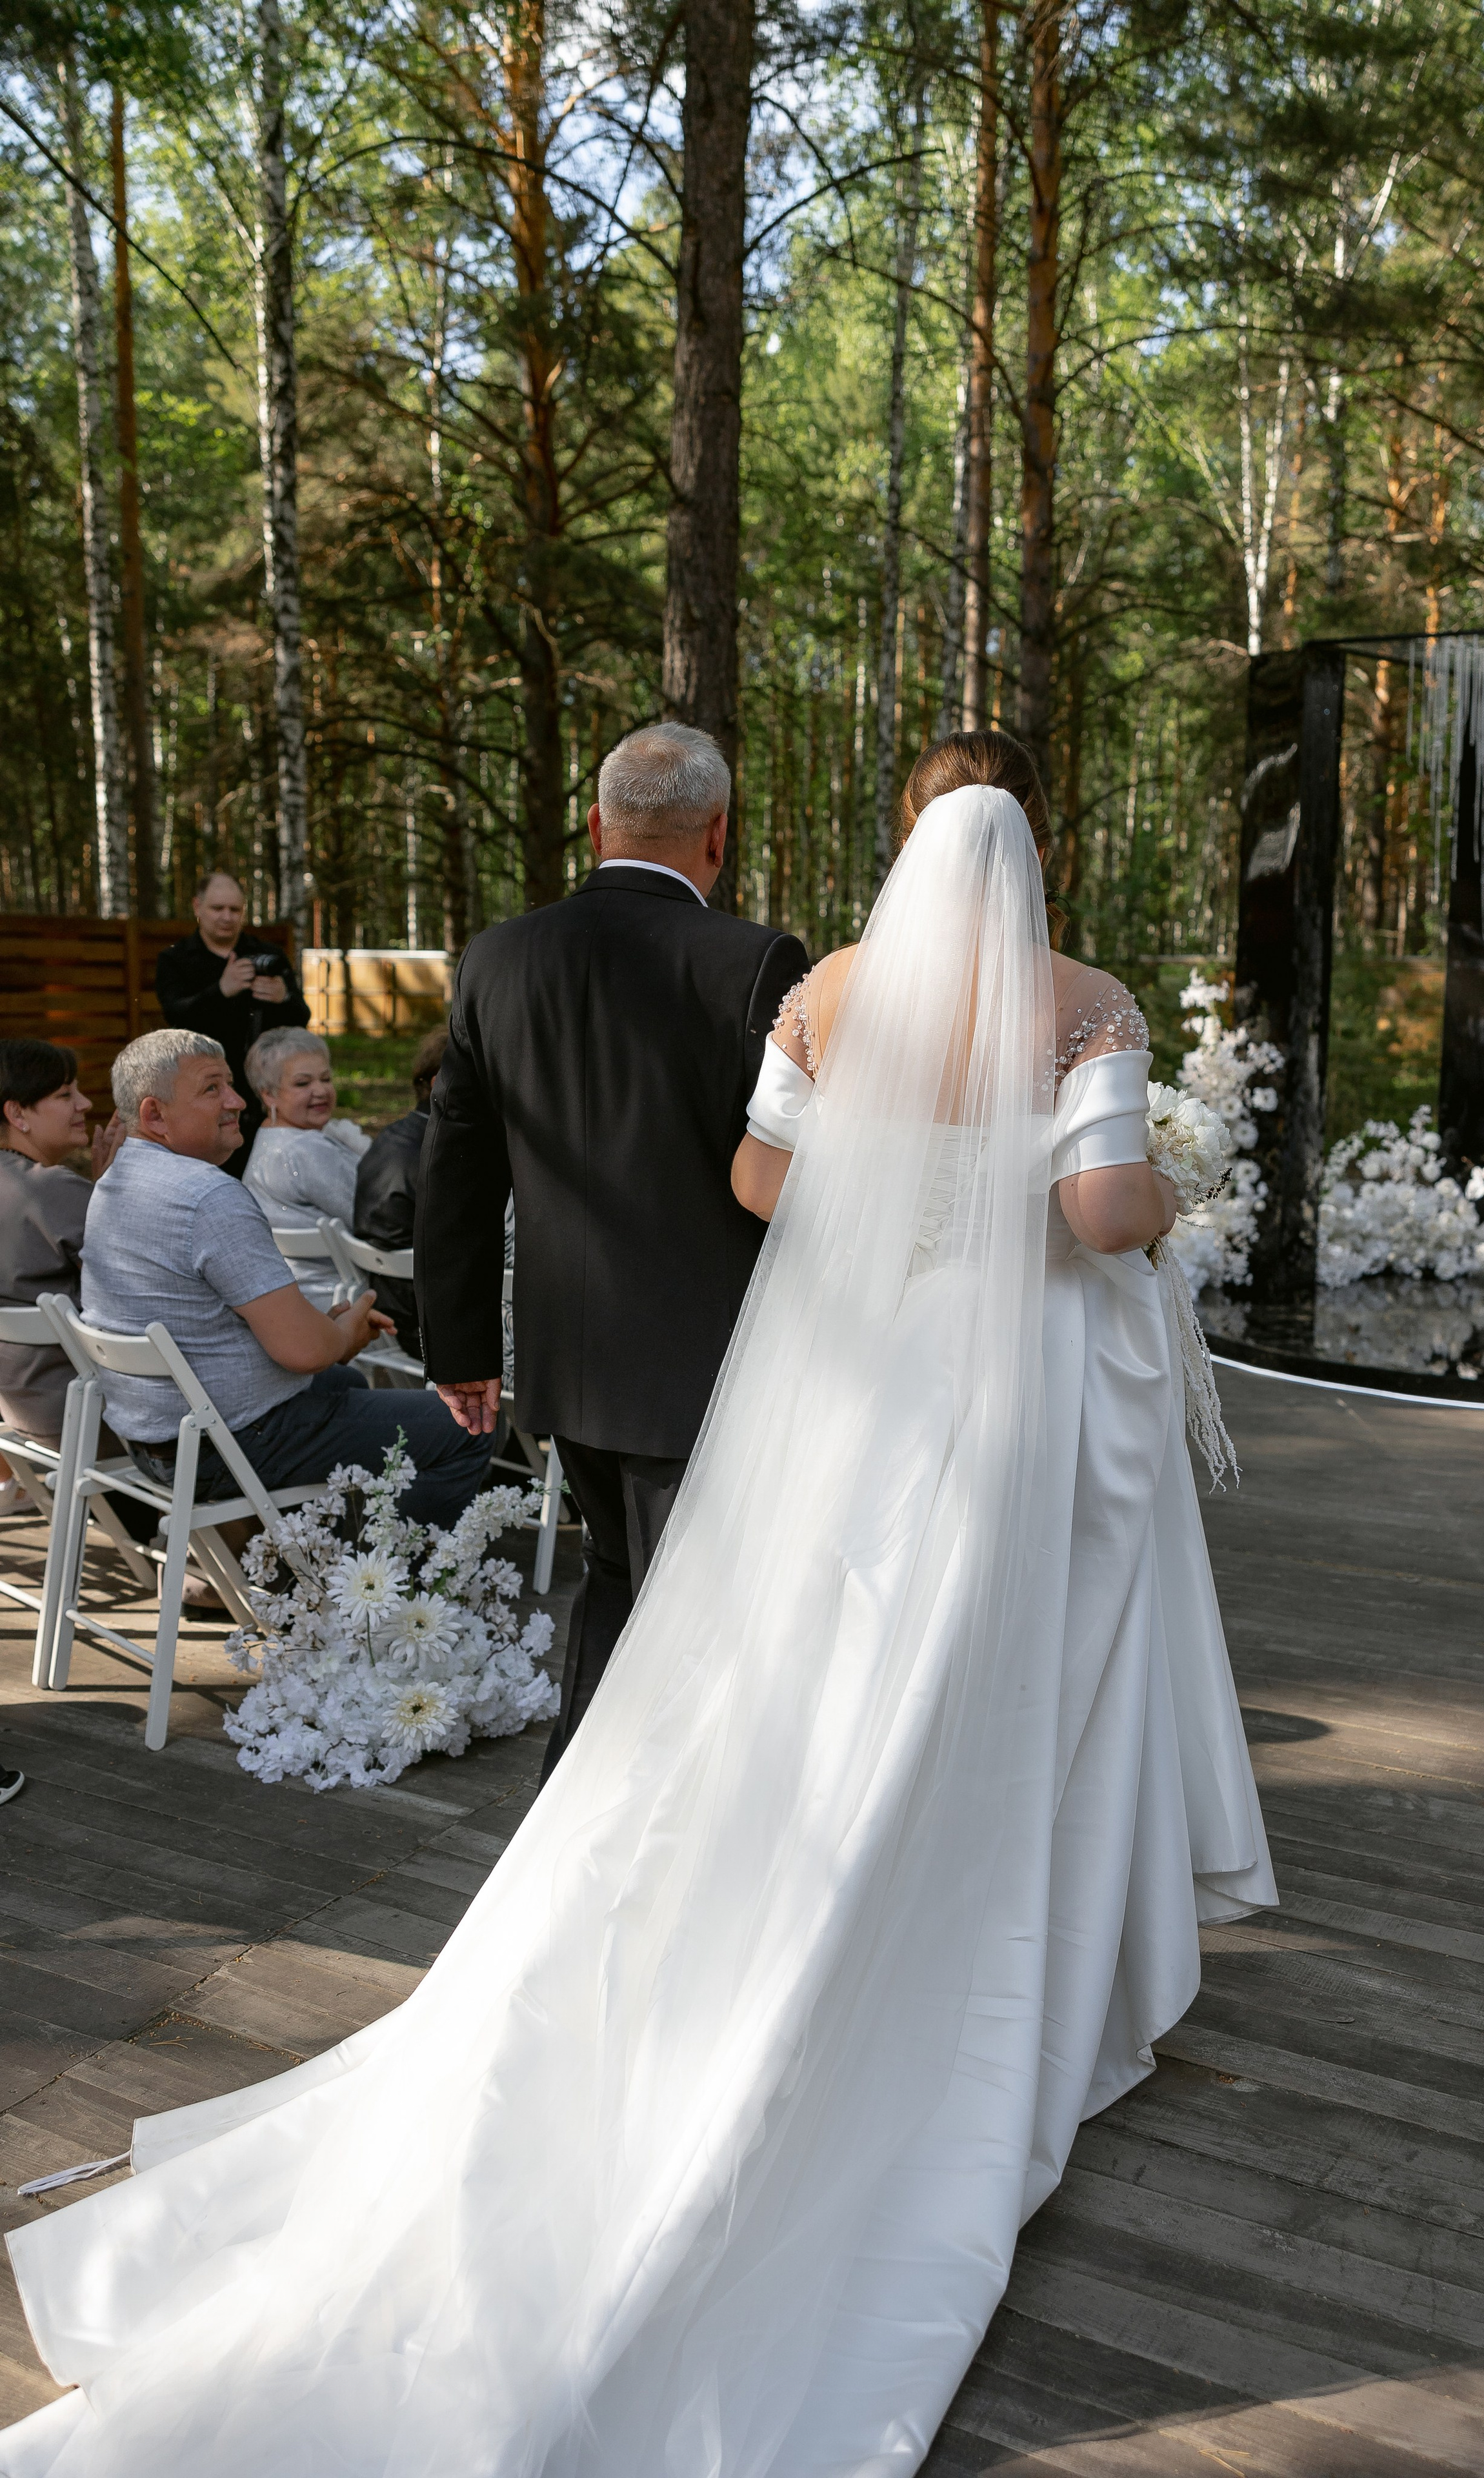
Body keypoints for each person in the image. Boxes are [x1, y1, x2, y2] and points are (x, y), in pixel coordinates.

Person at [0, 740, 1274, 2478]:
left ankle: (707, 1855)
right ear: (1032, 851)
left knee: (762, 1642)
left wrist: (867, 1218)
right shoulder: (1071, 998)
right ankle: (968, 1917)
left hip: (784, 1375)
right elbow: (1101, 1207)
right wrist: (1147, 1193)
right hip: (989, 1384)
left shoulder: (798, 986)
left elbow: (742, 1179)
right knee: (982, 1647)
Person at [416, 721, 808, 1780]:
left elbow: (457, 1171)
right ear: (717, 833)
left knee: (620, 1579)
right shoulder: (755, 962)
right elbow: (795, 1173)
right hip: (712, 1363)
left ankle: (571, 1809)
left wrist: (461, 1348)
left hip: (570, 1358)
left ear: (596, 826)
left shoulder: (498, 957)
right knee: (707, 1611)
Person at [73, 1028, 494, 1532]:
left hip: (153, 1439)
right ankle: (373, 1573)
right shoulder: (207, 1197)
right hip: (222, 1444)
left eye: (231, 1085)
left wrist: (328, 1333)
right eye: (212, 1089)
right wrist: (345, 1333)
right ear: (154, 1115)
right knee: (467, 1427)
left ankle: (304, 1555)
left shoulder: (115, 1180)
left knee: (344, 1382)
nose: (236, 1102)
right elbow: (307, 1354)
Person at [0, 1038, 125, 1444]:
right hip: (93, 1420)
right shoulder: (49, 1189)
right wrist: (111, 1190)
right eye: (65, 1095)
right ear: (17, 1114)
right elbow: (139, 1276)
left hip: (19, 1416)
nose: (85, 1105)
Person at [154, 871, 309, 1178]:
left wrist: (284, 998)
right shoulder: (175, 960)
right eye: (218, 908)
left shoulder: (269, 955)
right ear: (197, 907)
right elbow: (176, 1018)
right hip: (204, 1092)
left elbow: (301, 1019)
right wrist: (221, 991)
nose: (227, 917)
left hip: (265, 1093)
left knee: (271, 1177)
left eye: (235, 910)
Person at [242, 1028, 371, 1307]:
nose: (321, 1091)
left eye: (326, 1079)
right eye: (303, 1084)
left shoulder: (267, 1138)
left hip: (290, 1295)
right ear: (269, 1095)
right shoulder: (305, 1150)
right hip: (342, 1303)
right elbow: (376, 1217)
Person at [351, 1025, 449, 1355]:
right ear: (440, 1083)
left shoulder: (393, 1137)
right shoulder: (443, 1154)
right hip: (432, 1329)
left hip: (394, 1313)